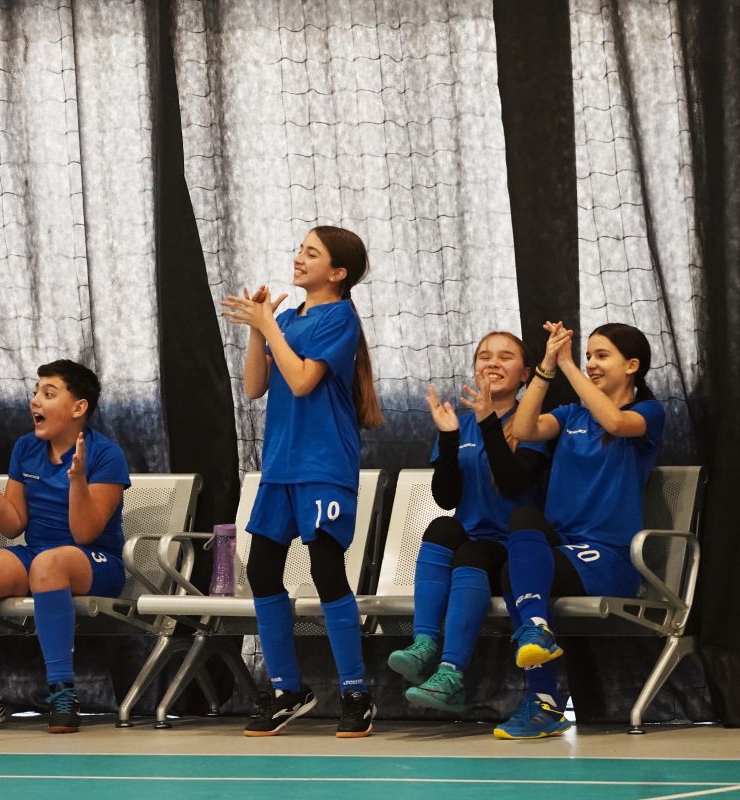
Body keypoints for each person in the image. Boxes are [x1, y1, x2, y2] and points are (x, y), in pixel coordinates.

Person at [220, 225, 383, 737]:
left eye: (311, 252)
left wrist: (268, 326)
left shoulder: (340, 317)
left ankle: (356, 692)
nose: (299, 257)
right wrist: (259, 329)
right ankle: (287, 690)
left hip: (324, 466)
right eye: (300, 249)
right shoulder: (287, 319)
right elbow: (254, 387)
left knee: (327, 570)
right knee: (263, 570)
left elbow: (303, 379)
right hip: (280, 469)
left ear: (337, 272)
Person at [0, 360, 129, 735]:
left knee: (49, 564)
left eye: (48, 394)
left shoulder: (106, 454)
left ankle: (62, 691)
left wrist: (78, 480)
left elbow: (85, 533)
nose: (35, 401)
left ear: (78, 407)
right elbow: (12, 525)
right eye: (35, 392)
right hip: (39, 557)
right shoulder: (25, 448)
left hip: (97, 562)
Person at [494, 321, 665, 739]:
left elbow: (616, 423)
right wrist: (547, 367)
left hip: (608, 557)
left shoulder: (648, 413)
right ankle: (539, 651)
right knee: (520, 537)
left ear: (632, 366)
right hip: (561, 548)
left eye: (601, 355)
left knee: (518, 575)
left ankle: (542, 700)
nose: (591, 363)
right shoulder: (571, 414)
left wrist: (568, 365)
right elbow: (523, 429)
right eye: (587, 356)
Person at [387, 332, 551, 713]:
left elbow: (511, 484)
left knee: (472, 552)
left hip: (514, 555)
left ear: (526, 374)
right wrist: (448, 439)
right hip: (470, 546)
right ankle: (424, 646)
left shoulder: (535, 425)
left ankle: (451, 675)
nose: (492, 363)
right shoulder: (460, 424)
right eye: (484, 356)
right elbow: (446, 498)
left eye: (505, 357)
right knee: (441, 527)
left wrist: (488, 421)